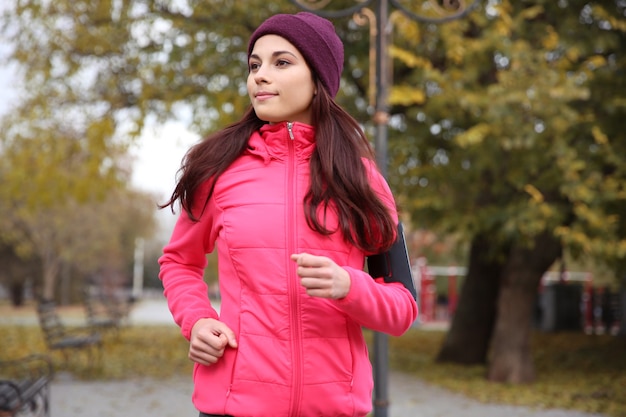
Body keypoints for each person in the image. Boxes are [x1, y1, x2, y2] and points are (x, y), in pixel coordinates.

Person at [158, 11, 418, 417]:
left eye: (281, 62)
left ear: (318, 79)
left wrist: (349, 285)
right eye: (254, 65)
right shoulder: (216, 170)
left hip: (335, 407)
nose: (260, 76)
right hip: (233, 404)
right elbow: (179, 262)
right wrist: (197, 320)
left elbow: (402, 308)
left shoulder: (362, 179)